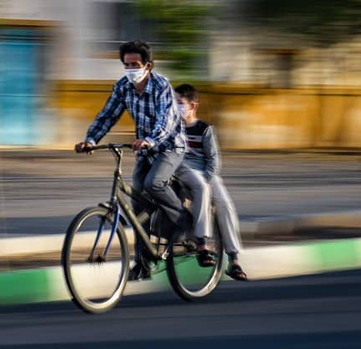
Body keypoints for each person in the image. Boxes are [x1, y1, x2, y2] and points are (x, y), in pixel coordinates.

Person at [75, 40, 188, 280]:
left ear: (148, 65)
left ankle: (183, 221)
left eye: (135, 64)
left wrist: (149, 139)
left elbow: (166, 121)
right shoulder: (123, 87)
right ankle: (143, 264)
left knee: (152, 184)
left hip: (169, 147)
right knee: (138, 208)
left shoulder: (161, 85)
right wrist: (91, 140)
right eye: (126, 65)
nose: (130, 69)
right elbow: (107, 115)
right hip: (145, 151)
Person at [174, 83, 248, 281]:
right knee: (201, 189)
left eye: (180, 103)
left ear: (193, 105)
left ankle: (234, 260)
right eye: (173, 102)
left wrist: (208, 178)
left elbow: (214, 159)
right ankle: (203, 243)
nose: (176, 106)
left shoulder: (204, 129)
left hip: (205, 171)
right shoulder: (171, 127)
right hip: (183, 169)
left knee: (225, 204)